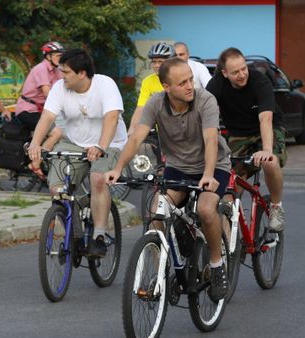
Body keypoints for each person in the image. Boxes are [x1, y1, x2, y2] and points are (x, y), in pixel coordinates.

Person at [105, 58, 231, 301]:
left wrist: (207, 174)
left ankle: (216, 265)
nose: (189, 86)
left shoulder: (205, 100)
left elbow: (211, 140)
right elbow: (136, 137)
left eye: (190, 80)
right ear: (166, 87)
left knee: (206, 210)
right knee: (156, 211)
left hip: (213, 165)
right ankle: (158, 269)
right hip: (178, 167)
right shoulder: (156, 103)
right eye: (182, 82)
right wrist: (118, 167)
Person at [27, 49, 128, 258]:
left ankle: (99, 237)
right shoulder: (59, 88)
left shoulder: (105, 85)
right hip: (74, 142)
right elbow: (47, 117)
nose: (61, 76)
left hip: (109, 143)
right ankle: (76, 236)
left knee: (98, 179)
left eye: (65, 72)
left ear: (81, 73)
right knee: (57, 190)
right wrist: (35, 144)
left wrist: (101, 146)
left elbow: (111, 118)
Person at [206, 47, 286, 231]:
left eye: (244, 68)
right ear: (224, 73)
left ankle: (276, 206)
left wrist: (266, 150)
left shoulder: (260, 81)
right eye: (235, 72)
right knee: (229, 185)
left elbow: (265, 118)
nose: (242, 74)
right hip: (238, 134)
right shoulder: (216, 85)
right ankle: (230, 245)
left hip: (268, 128)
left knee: (270, 162)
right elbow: (206, 116)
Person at [16, 41, 66, 176]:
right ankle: (36, 163)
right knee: (57, 132)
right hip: (28, 110)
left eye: (61, 55)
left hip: (42, 111)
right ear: (48, 56)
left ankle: (47, 161)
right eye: (57, 55)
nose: (60, 58)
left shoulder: (58, 70)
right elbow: (48, 94)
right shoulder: (41, 69)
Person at [128, 41, 176, 135]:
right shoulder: (148, 81)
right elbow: (141, 108)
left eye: (160, 62)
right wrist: (132, 129)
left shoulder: (178, 78)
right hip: (161, 132)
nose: (156, 65)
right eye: (154, 62)